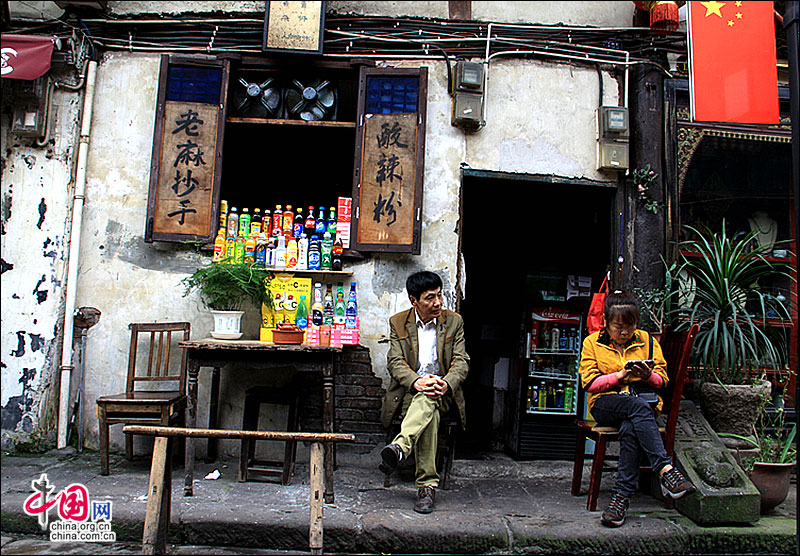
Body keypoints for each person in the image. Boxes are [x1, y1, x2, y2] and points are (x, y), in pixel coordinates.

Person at [579, 290, 696, 527]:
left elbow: (663, 381)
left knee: (631, 425)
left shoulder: (647, 341)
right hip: (606, 403)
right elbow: (589, 384)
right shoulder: (592, 343)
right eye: (617, 326)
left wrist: (648, 376)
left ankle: (620, 499)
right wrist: (619, 376)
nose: (624, 332)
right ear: (605, 323)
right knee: (637, 409)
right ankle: (665, 468)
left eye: (630, 326)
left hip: (641, 405)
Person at [379, 271, 470, 514]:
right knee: (426, 406)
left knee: (429, 398)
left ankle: (401, 447)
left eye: (440, 296)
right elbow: (395, 362)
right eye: (430, 298)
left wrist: (447, 383)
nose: (438, 303)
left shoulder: (454, 321)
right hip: (412, 390)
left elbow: (461, 361)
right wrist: (417, 382)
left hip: (443, 392)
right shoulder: (398, 322)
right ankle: (426, 487)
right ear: (414, 300)